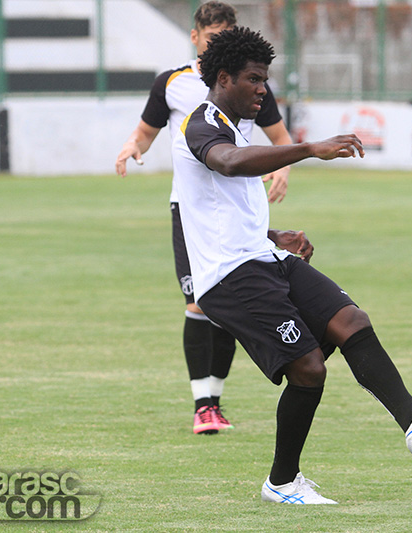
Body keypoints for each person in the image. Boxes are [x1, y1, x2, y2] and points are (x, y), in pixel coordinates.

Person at [173, 26, 412, 504]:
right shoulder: (201, 123)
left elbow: (221, 207)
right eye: (253, 79)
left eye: (265, 79)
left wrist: (275, 235)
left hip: (263, 257)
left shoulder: (238, 127)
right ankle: (282, 483)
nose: (263, 89)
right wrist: (310, 148)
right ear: (223, 78)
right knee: (309, 369)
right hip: (230, 277)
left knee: (351, 321)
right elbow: (228, 163)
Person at [114, 2, 294, 434]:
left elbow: (279, 136)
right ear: (195, 37)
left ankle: (214, 398)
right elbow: (146, 131)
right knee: (198, 302)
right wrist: (133, 145)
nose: (217, 44)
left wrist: (283, 168)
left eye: (224, 36)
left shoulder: (248, 82)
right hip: (190, 208)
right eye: (211, 37)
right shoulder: (172, 83)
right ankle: (203, 406)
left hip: (238, 206)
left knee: (225, 301)